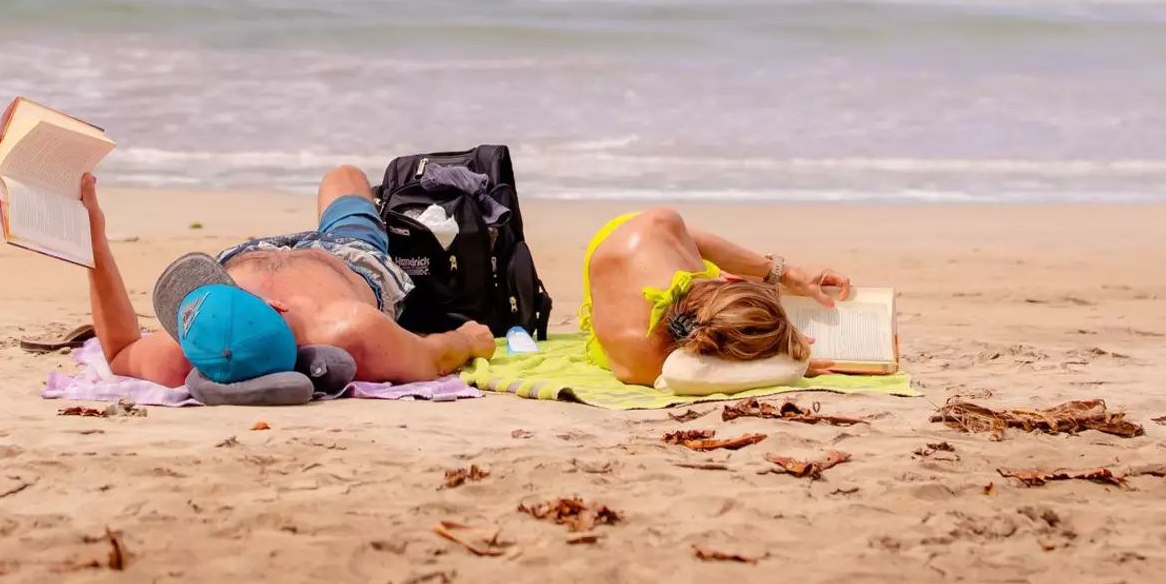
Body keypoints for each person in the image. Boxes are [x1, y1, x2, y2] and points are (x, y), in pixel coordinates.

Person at [79, 166, 493, 388]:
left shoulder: (188, 348)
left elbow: (119, 351)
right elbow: (433, 357)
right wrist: (469, 341)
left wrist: (94, 237)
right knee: (344, 177)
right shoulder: (350, 329)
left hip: (244, 253)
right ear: (277, 305)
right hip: (346, 254)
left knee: (343, 179)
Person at [580, 208, 850, 387]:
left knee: (674, 228)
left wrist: (787, 273)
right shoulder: (648, 361)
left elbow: (693, 238)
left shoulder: (661, 223)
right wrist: (787, 365)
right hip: (624, 257)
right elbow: (690, 376)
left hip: (641, 240)